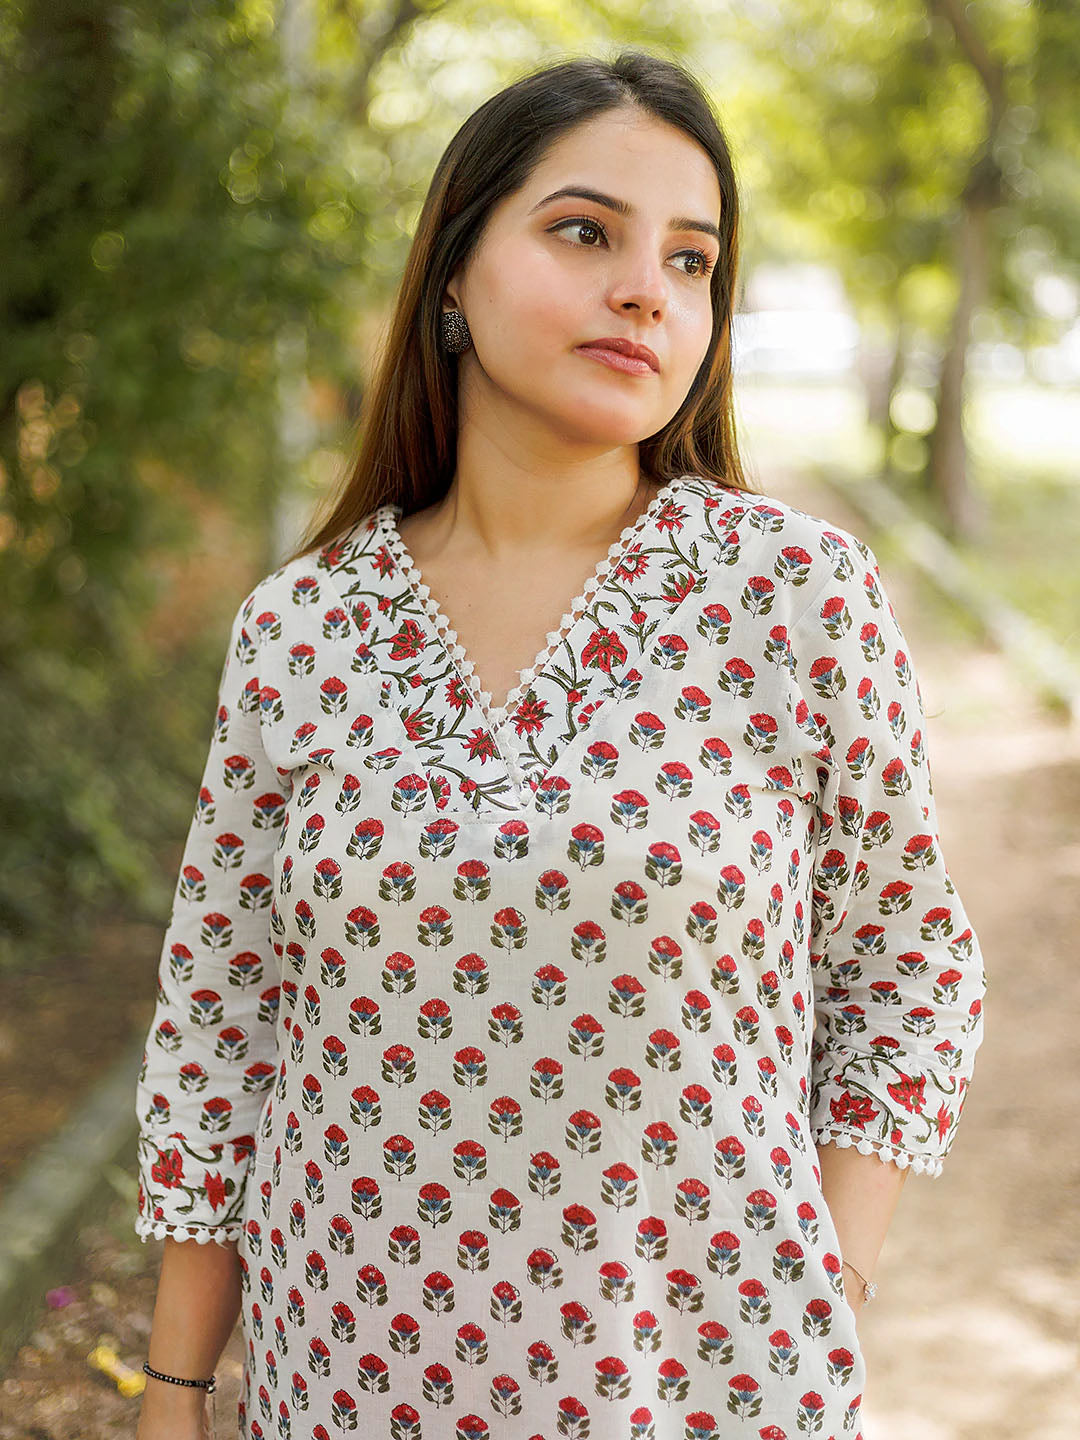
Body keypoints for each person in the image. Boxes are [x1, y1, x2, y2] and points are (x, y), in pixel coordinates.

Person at [133, 50, 987, 1440]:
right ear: (453, 274)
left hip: (706, 1400)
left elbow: (909, 962)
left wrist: (825, 1284)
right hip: (349, 1388)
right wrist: (174, 1394)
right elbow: (224, 1030)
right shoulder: (304, 629)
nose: (649, 287)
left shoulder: (794, 599)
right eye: (585, 232)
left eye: (694, 259)